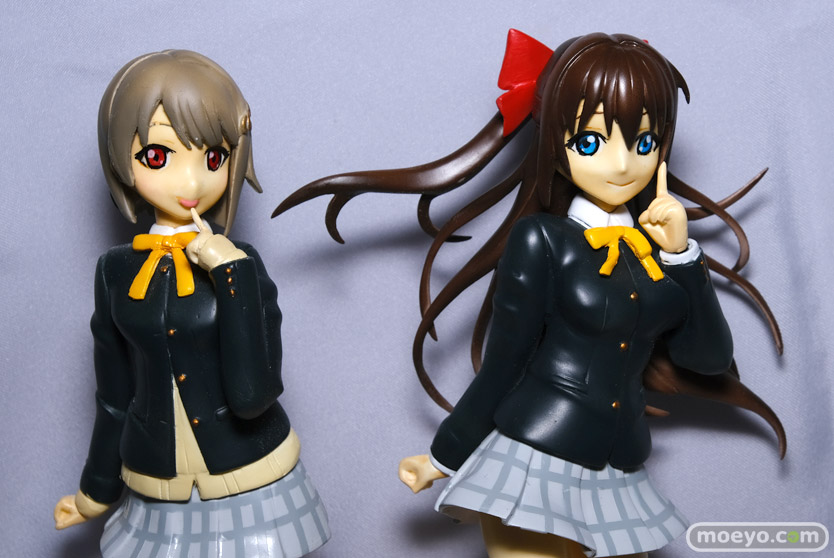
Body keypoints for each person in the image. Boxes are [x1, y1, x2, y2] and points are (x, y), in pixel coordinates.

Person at [273, 31, 784, 558]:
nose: (621, 164)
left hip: (620, 464)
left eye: (643, 142)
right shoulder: (543, 239)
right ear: (557, 143)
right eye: (592, 142)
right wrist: (445, 456)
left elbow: (709, 358)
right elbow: (505, 362)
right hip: (535, 455)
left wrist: (683, 258)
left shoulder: (657, 255)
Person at [53, 50, 330, 558]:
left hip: (249, 470)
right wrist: (96, 488)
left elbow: (254, 395)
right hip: (156, 477)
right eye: (159, 157)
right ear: (121, 157)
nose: (191, 183)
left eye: (213, 159)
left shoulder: (242, 264)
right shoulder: (115, 271)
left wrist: (231, 274)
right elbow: (114, 393)